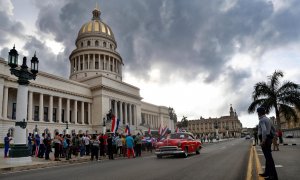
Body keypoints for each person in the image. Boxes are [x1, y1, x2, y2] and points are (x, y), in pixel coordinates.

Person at [257, 107, 278, 180]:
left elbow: (264, 130)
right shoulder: (268, 120)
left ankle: (273, 176)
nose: (258, 114)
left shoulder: (262, 120)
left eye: (258, 113)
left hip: (265, 140)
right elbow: (274, 130)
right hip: (268, 139)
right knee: (268, 157)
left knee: (269, 159)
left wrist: (263, 141)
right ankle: (267, 173)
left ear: (259, 113)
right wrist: (272, 137)